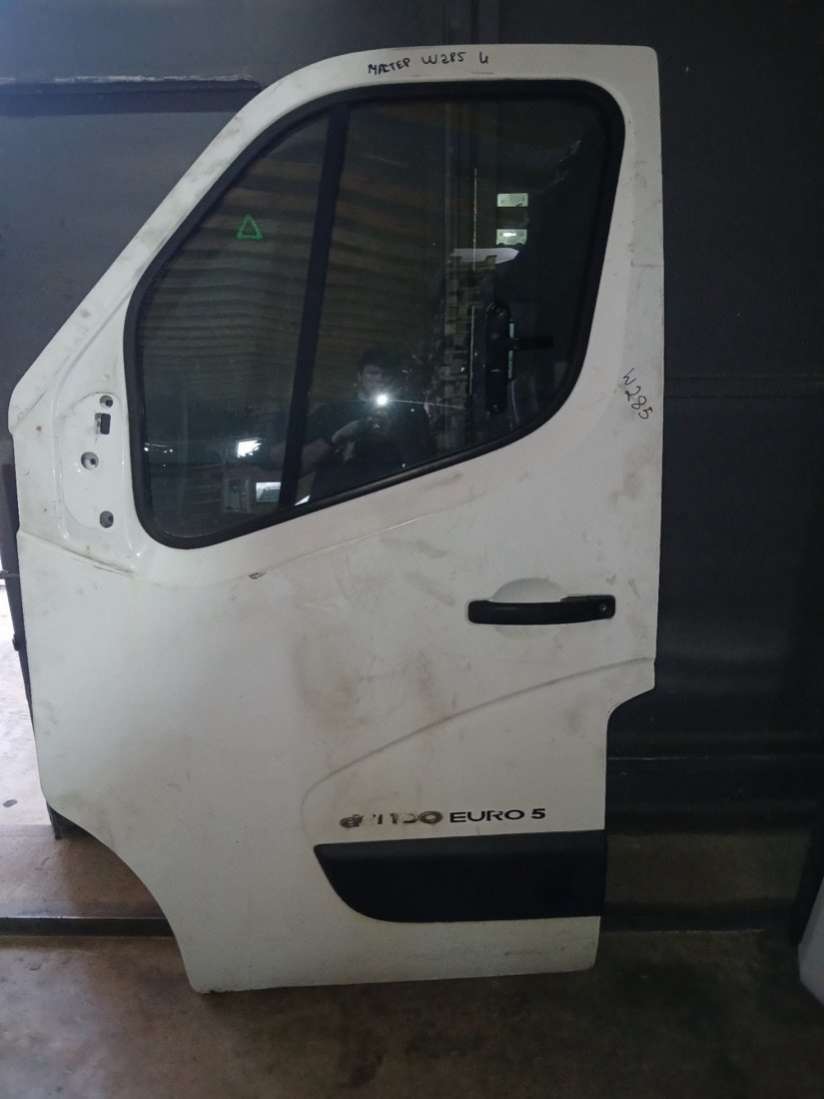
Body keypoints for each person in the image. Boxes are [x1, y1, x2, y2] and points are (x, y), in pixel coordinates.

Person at [301, 349, 434, 501]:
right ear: (360, 376)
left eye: (386, 374)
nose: (380, 379)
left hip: (387, 497)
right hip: (332, 498)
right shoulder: (333, 411)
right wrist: (339, 437)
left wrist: (398, 434)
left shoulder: (411, 413)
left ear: (395, 378)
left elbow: (425, 464)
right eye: (373, 373)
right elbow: (299, 462)